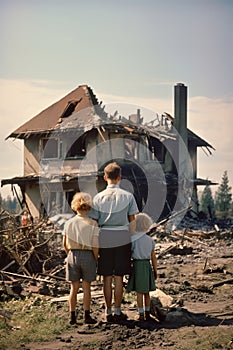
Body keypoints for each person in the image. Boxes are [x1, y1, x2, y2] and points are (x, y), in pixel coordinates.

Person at [90, 162, 139, 322]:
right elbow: (133, 221)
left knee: (106, 277)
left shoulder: (98, 198)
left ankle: (108, 311)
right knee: (119, 277)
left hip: (104, 236)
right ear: (120, 178)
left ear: (105, 177)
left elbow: (94, 223)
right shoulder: (128, 196)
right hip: (122, 236)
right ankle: (118, 310)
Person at [63, 192, 99, 325]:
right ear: (89, 207)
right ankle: (86, 316)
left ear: (75, 206)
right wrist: (95, 258)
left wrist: (69, 254)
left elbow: (64, 243)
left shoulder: (69, 223)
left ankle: (72, 317)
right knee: (87, 288)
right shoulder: (93, 223)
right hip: (88, 255)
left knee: (73, 288)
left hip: (72, 254)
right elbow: (95, 245)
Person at [126, 212, 157, 322]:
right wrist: (155, 270)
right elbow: (153, 257)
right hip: (147, 265)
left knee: (139, 292)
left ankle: (140, 313)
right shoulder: (150, 240)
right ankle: (148, 313)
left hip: (137, 265)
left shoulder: (133, 239)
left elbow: (129, 254)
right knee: (146, 292)